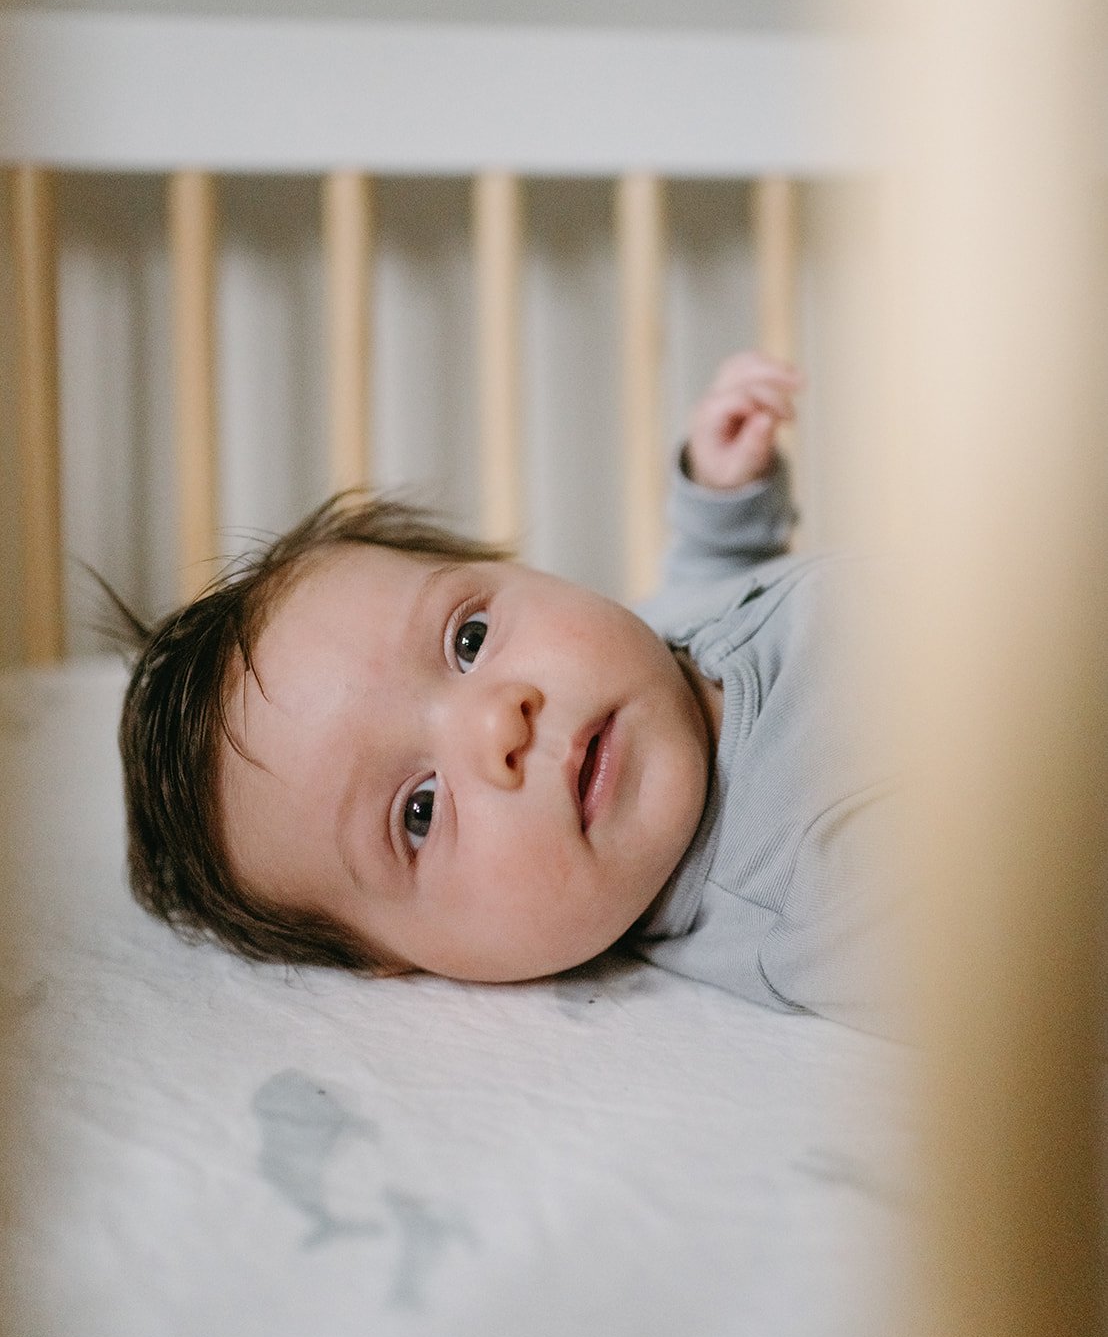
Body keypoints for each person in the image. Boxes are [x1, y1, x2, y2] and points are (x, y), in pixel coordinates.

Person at [119, 351, 905, 1037]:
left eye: (469, 640)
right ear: (412, 963)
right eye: (418, 812)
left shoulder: (647, 647)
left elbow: (703, 585)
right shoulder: (818, 898)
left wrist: (720, 500)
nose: (500, 722)